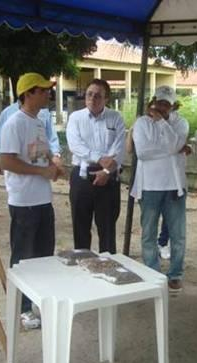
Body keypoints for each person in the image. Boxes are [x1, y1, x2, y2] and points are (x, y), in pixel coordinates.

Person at [0, 73, 61, 330]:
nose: (48, 94)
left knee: (44, 254)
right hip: (24, 201)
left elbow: (39, 154)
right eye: (43, 90)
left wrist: (54, 165)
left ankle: (38, 303)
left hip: (42, 199)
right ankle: (22, 309)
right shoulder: (14, 123)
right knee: (23, 255)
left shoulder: (37, 122)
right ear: (28, 93)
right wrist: (41, 172)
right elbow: (5, 161)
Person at [131, 86, 190, 293]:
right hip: (148, 186)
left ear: (173, 105)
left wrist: (162, 124)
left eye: (166, 103)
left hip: (174, 185)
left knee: (177, 233)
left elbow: (175, 144)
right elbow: (143, 152)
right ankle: (152, 272)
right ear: (153, 101)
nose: (162, 106)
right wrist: (172, 150)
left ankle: (175, 274)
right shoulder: (141, 123)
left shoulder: (181, 122)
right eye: (159, 102)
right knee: (148, 232)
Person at [66, 79, 126, 254]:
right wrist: (99, 158)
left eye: (98, 96)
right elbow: (75, 145)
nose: (93, 99)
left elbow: (119, 148)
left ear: (106, 98)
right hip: (82, 177)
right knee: (80, 227)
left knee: (107, 229)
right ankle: (83, 268)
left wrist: (106, 170)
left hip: (109, 178)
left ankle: (108, 269)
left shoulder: (115, 118)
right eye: (89, 94)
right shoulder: (76, 118)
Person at [0, 102, 63, 177]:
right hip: (18, 169)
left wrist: (55, 156)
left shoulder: (43, 115)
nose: (48, 95)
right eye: (41, 92)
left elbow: (50, 136)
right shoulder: (9, 114)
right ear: (28, 95)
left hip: (38, 166)